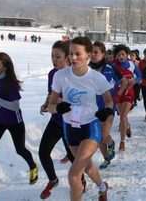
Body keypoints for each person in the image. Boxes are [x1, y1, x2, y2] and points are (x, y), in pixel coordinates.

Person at [48, 37, 111, 201]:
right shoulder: (60, 76)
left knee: (74, 175)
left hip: (90, 127)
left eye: (78, 54)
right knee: (88, 168)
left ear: (88, 55)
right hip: (70, 128)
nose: (73, 58)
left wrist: (106, 111)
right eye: (70, 53)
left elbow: (109, 100)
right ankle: (102, 187)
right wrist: (58, 108)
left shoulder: (96, 78)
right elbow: (51, 106)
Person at [0, 52, 38, 201]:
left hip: (14, 122)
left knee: (20, 149)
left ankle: (33, 165)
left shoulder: (9, 84)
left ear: (5, 67)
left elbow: (15, 107)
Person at [38, 40, 86, 199]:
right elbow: (51, 95)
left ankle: (82, 180)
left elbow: (80, 100)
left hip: (71, 122)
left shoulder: (76, 75)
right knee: (43, 152)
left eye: (57, 56)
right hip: (56, 120)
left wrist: (59, 101)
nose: (54, 59)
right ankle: (53, 180)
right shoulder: (53, 73)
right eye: (52, 56)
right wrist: (46, 104)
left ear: (67, 57)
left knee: (74, 157)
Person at [89, 41, 128, 169]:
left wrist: (117, 96)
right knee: (98, 137)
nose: (93, 55)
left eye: (96, 52)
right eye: (91, 52)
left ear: (103, 54)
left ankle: (110, 143)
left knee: (103, 135)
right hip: (93, 107)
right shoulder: (87, 69)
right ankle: (106, 158)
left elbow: (124, 82)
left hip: (108, 106)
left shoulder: (110, 68)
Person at [112, 44, 142, 151]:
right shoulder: (114, 64)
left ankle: (122, 142)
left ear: (126, 55)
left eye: (123, 54)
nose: (121, 57)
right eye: (119, 55)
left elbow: (140, 76)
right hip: (119, 91)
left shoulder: (132, 64)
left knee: (123, 115)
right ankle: (127, 126)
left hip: (129, 92)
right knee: (121, 115)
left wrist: (134, 81)